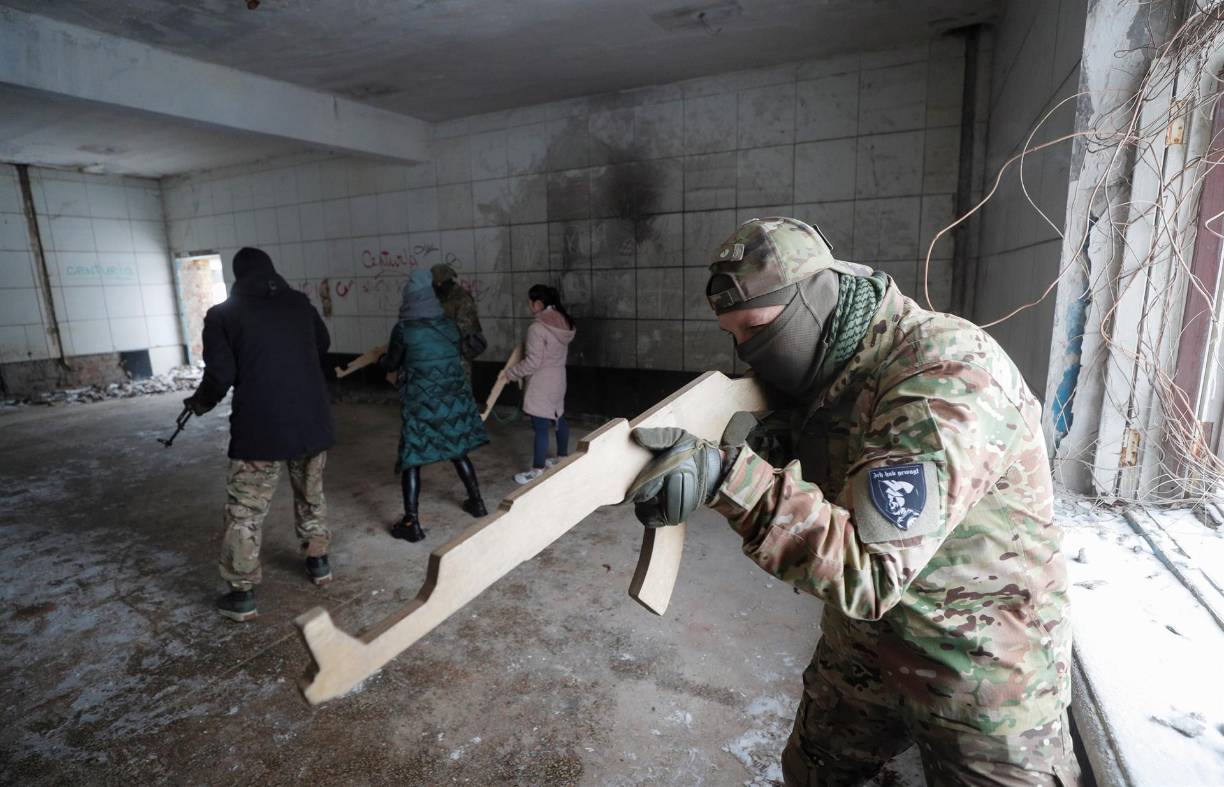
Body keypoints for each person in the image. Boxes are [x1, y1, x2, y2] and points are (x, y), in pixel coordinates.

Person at [627, 218, 1079, 786]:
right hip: (866, 651)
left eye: (757, 328)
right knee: (812, 774)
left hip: (979, 673)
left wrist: (728, 479)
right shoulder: (836, 367)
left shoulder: (943, 375)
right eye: (733, 336)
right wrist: (773, 448)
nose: (749, 353)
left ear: (815, 302)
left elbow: (869, 570)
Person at [183, 246, 335, 623]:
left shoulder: (223, 315)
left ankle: (242, 593)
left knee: (246, 510)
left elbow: (221, 374)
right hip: (310, 420)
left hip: (260, 426)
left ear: (237, 276)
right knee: (310, 492)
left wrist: (199, 403)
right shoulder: (299, 304)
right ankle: (318, 562)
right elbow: (323, 345)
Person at [382, 268, 490, 542]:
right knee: (457, 450)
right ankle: (477, 503)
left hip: (420, 403)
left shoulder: (404, 330)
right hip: (452, 399)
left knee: (412, 459)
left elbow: (392, 363)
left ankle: (412, 523)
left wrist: (381, 362)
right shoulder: (449, 326)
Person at [501, 284, 576, 485]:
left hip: (541, 382)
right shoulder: (565, 323)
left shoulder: (537, 328)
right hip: (559, 378)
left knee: (541, 426)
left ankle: (537, 470)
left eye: (530, 301)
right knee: (559, 417)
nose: (529, 304)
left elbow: (533, 363)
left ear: (538, 303)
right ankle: (562, 457)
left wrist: (511, 373)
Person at [431, 263, 486, 382]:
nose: (433, 288)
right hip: (440, 354)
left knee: (461, 390)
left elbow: (466, 330)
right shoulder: (437, 297)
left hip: (459, 354)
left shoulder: (462, 299)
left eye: (435, 285)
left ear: (441, 283)